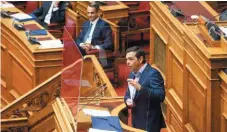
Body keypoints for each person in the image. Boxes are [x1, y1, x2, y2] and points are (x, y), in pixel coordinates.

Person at [124, 46, 166, 132]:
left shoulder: (153, 74)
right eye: (126, 59)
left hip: (149, 121)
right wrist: (128, 100)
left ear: (140, 59)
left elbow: (160, 96)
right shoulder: (132, 74)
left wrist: (141, 88)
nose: (127, 62)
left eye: (131, 59)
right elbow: (128, 93)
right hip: (136, 118)